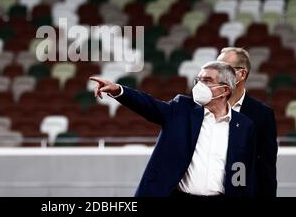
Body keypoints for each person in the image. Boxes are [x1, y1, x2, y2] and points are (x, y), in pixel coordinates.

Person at [90, 61, 256, 197]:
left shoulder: (244, 126)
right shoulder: (181, 109)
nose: (199, 85)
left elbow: (241, 171)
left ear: (225, 89)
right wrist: (119, 91)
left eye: (207, 81)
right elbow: (148, 105)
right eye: (198, 80)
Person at [217, 47, 277, 197]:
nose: (216, 73)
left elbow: (266, 170)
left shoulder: (262, 115)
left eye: (222, 68)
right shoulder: (201, 108)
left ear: (241, 74)